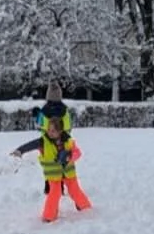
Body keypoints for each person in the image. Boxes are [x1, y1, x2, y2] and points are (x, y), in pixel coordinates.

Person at [10, 83, 92, 222]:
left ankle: (86, 209)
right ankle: (49, 216)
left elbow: (77, 152)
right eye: (49, 130)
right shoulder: (65, 112)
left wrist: (68, 155)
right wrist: (20, 150)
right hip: (55, 171)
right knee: (56, 193)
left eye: (53, 130)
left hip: (65, 171)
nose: (49, 131)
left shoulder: (46, 113)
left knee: (71, 190)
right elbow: (33, 144)